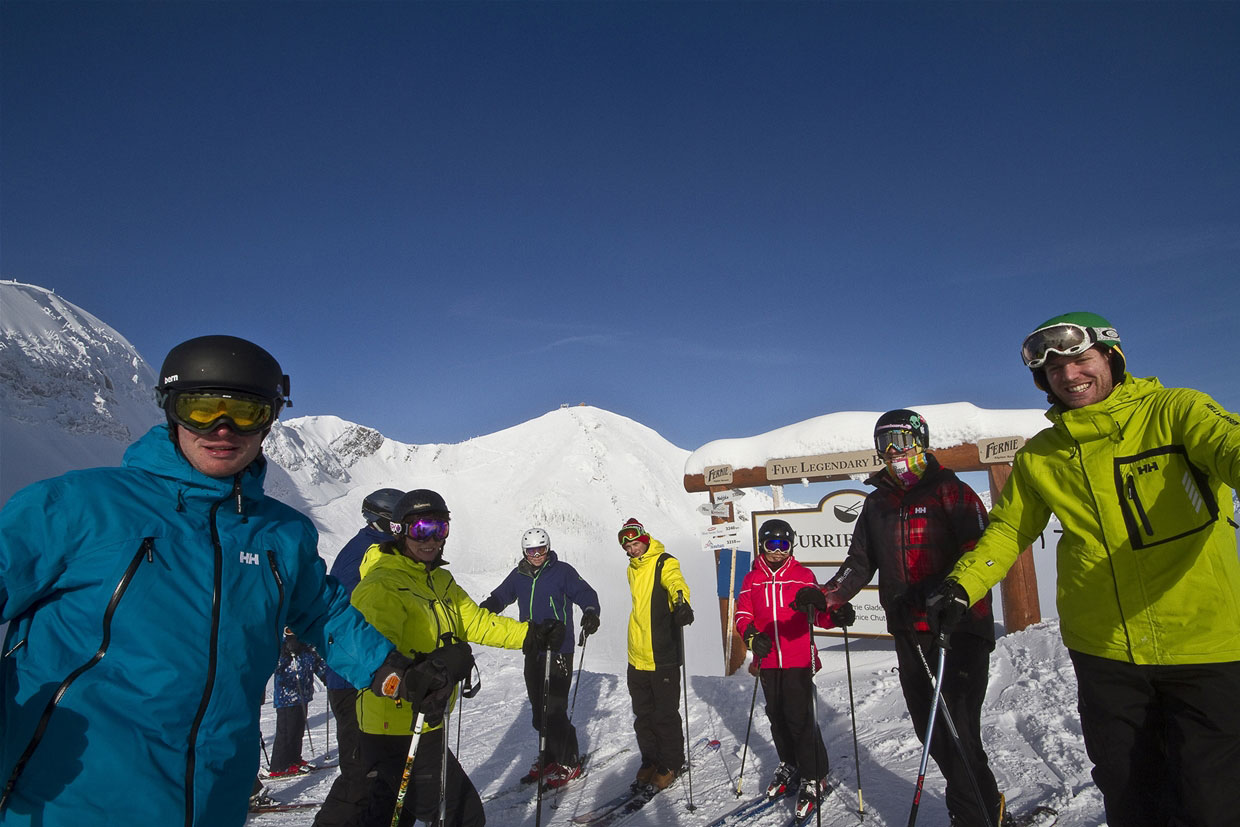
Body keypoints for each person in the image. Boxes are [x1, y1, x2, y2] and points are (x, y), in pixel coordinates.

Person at [0, 335, 439, 827]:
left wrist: (390, 669)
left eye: (245, 412)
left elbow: (322, 611)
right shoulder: (76, 506)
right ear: (171, 410)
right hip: (68, 799)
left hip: (215, 799)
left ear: (271, 418)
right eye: (201, 407)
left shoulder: (282, 532)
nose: (222, 428)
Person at [929, 312, 1240, 827]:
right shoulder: (1041, 457)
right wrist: (962, 585)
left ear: (1112, 358)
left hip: (1203, 641)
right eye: (1054, 371)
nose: (1069, 376)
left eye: (1081, 360)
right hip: (1105, 651)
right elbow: (1009, 531)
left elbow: (1229, 446)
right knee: (1129, 790)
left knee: (1215, 797)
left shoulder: (1176, 411)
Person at [813, 408, 1004, 827]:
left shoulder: (950, 491)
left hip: (958, 628)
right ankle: (984, 807)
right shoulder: (877, 504)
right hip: (908, 629)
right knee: (930, 731)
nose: (893, 452)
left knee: (959, 731)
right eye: (884, 443)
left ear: (922, 441)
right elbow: (858, 562)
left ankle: (977, 818)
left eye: (901, 440)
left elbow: (980, 550)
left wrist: (951, 593)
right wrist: (827, 597)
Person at [350, 489, 565, 827]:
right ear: (401, 531)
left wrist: (530, 634)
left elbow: (475, 621)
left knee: (399, 815)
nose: (432, 539)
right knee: (460, 816)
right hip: (394, 729)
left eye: (441, 529)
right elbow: (368, 653)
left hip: (427, 721)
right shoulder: (383, 584)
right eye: (422, 529)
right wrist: (414, 676)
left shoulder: (439, 579)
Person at [736, 518, 854, 821]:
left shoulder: (803, 575)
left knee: (800, 718)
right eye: (771, 545)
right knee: (776, 716)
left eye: (783, 545)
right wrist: (751, 636)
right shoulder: (752, 579)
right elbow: (742, 613)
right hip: (768, 660)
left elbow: (819, 611)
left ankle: (815, 775)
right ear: (761, 545)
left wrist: (836, 617)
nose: (777, 551)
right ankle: (789, 762)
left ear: (791, 546)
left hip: (799, 658)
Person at [479, 527, 601, 787]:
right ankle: (549, 757)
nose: (537, 555)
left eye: (541, 549)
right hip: (533, 646)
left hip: (558, 649)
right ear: (524, 552)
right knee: (538, 710)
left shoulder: (562, 571)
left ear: (548, 548)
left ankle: (568, 760)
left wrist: (590, 612)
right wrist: (486, 609)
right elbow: (502, 596)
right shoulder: (519, 574)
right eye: (532, 550)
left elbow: (585, 594)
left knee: (554, 709)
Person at [314, 488, 404, 827]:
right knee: (361, 773)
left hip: (371, 674)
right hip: (356, 677)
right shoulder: (372, 552)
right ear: (385, 522)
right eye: (401, 523)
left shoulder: (373, 547)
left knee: (385, 769)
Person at [618, 517, 694, 794]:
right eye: (627, 546)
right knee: (643, 715)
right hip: (636, 654)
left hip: (662, 653)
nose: (632, 549)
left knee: (664, 714)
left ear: (645, 539)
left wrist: (681, 602)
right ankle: (651, 759)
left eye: (635, 543)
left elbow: (676, 583)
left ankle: (671, 763)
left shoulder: (664, 561)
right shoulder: (632, 569)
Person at [268, 629, 327, 777]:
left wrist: (326, 676)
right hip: (286, 694)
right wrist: (285, 649)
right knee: (286, 731)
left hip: (303, 693)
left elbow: (315, 660)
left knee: (297, 728)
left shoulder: (306, 643)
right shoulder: (280, 643)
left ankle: (294, 759)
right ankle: (279, 765)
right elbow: (274, 665)